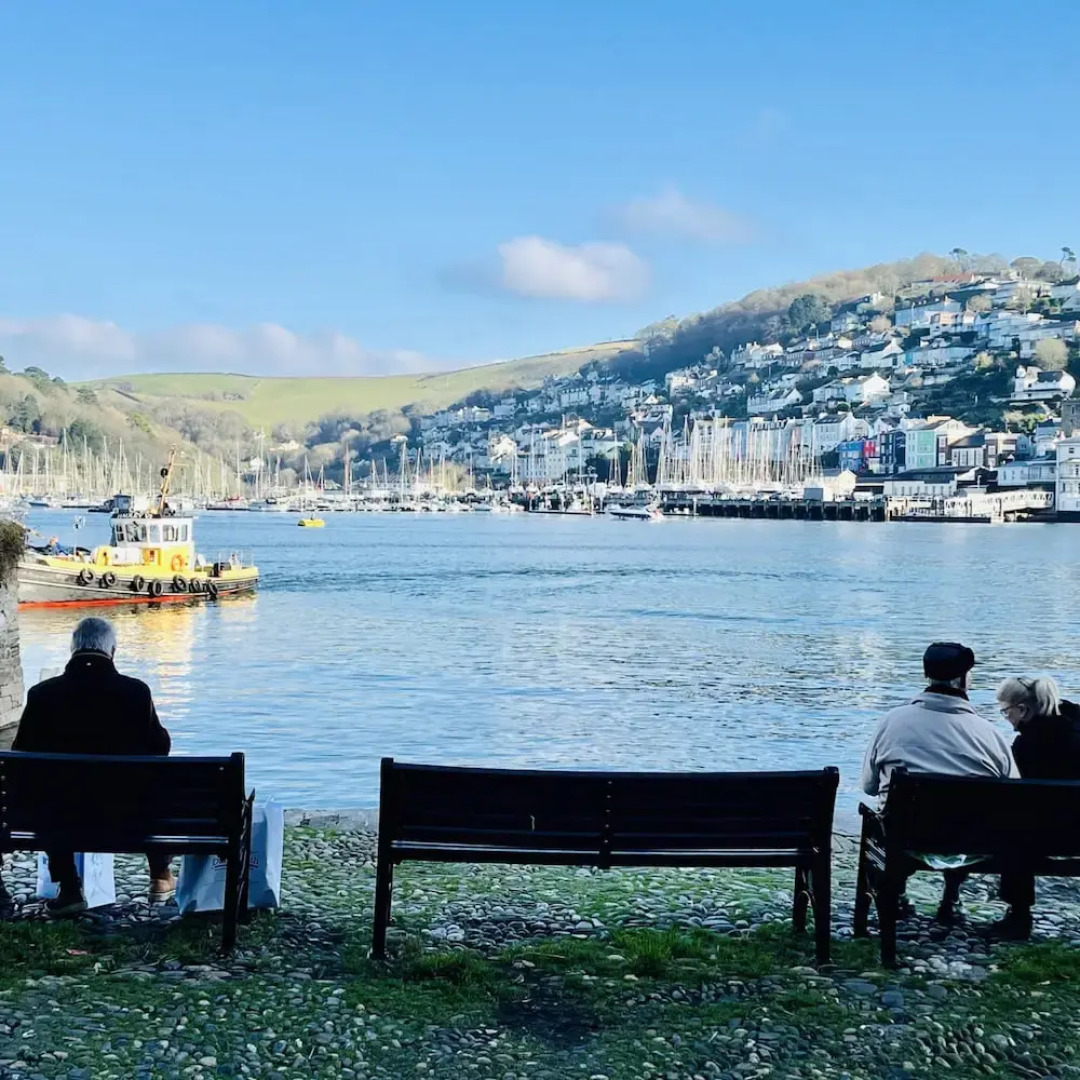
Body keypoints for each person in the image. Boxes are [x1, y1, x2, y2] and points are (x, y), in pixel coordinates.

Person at [9, 616, 175, 916]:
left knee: (49, 793)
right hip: (127, 814)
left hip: (57, 817)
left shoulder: (41, 695)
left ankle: (70, 889)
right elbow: (159, 748)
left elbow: (20, 756)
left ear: (73, 650)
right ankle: (160, 877)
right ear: (112, 651)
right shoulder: (135, 693)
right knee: (151, 785)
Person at [861, 642, 1018, 925]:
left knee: (884, 814)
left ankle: (894, 894)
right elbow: (1014, 793)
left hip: (904, 836)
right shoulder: (989, 735)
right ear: (963, 679)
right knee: (970, 815)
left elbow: (869, 786)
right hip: (971, 841)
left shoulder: (891, 722)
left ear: (926, 675)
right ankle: (951, 896)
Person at [992, 675, 1080, 939]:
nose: (1006, 717)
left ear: (1024, 709)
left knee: (1015, 824)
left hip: (1043, 838)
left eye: (1006, 711)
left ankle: (1019, 914)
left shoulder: (1027, 746)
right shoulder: (1075, 731)